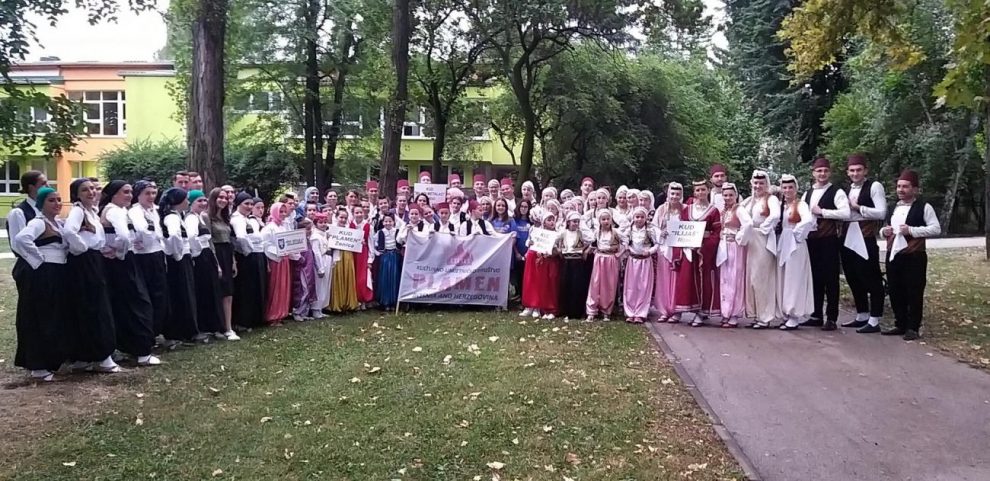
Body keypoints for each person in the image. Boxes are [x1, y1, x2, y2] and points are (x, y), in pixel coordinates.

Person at [100, 181, 160, 365]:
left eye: (130, 192)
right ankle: (141, 351)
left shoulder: (118, 210)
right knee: (138, 304)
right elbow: (124, 237)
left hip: (119, 262)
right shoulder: (115, 211)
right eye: (125, 192)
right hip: (123, 262)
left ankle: (130, 346)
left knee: (125, 305)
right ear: (114, 194)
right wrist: (119, 252)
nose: (129, 195)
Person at [63, 178, 119, 373]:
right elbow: (69, 232)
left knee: (94, 305)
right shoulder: (78, 211)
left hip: (94, 260)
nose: (91, 192)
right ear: (77, 194)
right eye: (85, 190)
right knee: (94, 306)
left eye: (93, 189)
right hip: (84, 263)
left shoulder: (91, 212)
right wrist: (83, 248)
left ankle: (89, 354)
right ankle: (100, 356)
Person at [12, 187, 67, 380]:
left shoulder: (58, 223)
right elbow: (21, 239)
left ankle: (50, 360)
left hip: (57, 273)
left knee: (52, 316)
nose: (57, 203)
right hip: (43, 274)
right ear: (41, 203)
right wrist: (39, 259)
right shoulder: (38, 222)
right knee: (39, 317)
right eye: (51, 200)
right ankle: (37, 365)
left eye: (59, 200)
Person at [882, 169, 941, 340]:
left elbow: (936, 229)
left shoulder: (924, 207)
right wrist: (884, 231)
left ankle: (913, 327)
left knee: (914, 291)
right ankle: (900, 324)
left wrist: (912, 230)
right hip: (894, 254)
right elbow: (887, 227)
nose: (901, 190)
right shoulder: (893, 207)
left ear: (915, 189)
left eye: (905, 187)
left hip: (914, 255)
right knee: (895, 289)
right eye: (899, 186)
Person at [840, 154, 887, 333]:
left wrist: (858, 207)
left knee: (871, 276)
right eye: (852, 170)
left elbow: (881, 212)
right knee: (852, 276)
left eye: (859, 170)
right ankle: (862, 314)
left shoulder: (874, 186)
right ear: (847, 172)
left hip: (865, 235)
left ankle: (875, 319)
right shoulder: (847, 189)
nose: (855, 173)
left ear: (865, 171)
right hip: (847, 235)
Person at [802, 157, 850, 331]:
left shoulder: (837, 192)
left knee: (830, 279)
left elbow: (846, 213)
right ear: (813, 173)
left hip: (829, 240)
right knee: (814, 277)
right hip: (811, 240)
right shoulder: (807, 193)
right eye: (819, 171)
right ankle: (816, 314)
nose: (822, 174)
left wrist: (822, 212)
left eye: (825, 171)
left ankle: (831, 317)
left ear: (829, 173)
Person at [128, 181, 170, 339]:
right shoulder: (135, 211)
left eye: (153, 193)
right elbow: (142, 230)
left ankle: (157, 330)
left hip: (157, 252)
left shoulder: (155, 210)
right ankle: (149, 332)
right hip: (144, 255)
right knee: (149, 293)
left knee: (160, 294)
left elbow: (158, 233)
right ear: (138, 195)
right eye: (147, 193)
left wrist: (155, 237)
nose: (151, 196)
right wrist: (151, 238)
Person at [160, 187, 202, 342]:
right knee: (183, 294)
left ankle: (188, 329)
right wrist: (178, 254)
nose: (188, 202)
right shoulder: (172, 217)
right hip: (179, 259)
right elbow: (174, 235)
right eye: (185, 199)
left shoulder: (178, 216)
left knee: (187, 293)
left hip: (183, 256)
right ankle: (185, 331)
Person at [741, 170, 781, 329]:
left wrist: (763, 228)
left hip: (762, 240)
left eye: (761, 183)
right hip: (749, 240)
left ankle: (765, 317)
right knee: (750, 278)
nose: (758, 186)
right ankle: (755, 314)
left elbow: (775, 215)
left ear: (767, 184)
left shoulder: (771, 199)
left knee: (761, 278)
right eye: (755, 183)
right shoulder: (749, 201)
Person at [185, 190, 227, 337]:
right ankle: (207, 326)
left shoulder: (200, 217)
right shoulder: (191, 218)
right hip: (201, 256)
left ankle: (214, 326)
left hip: (207, 255)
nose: (203, 203)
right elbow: (192, 237)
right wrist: (198, 253)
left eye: (204, 200)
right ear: (191, 203)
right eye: (199, 201)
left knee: (211, 290)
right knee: (205, 291)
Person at [776, 175, 815, 330]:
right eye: (784, 187)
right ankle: (785, 312)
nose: (787, 190)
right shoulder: (781, 205)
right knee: (783, 277)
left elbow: (808, 220)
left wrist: (796, 234)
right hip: (783, 241)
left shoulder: (801, 205)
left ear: (796, 189)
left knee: (794, 278)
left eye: (790, 187)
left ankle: (794, 314)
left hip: (795, 243)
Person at [681, 181, 722, 326]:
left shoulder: (713, 211)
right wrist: (686, 244)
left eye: (703, 190)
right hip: (690, 249)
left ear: (708, 191)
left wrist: (706, 247)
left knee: (704, 280)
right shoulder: (687, 209)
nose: (700, 193)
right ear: (694, 192)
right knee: (690, 280)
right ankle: (693, 308)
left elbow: (716, 232)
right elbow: (682, 228)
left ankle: (702, 311)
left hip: (705, 250)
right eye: (698, 190)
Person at [204, 188, 239, 340]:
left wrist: (233, 261)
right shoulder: (206, 217)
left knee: (228, 293)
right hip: (215, 254)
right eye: (220, 197)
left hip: (227, 254)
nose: (223, 200)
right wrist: (216, 263)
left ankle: (228, 327)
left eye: (225, 198)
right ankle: (217, 326)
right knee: (218, 292)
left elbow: (230, 241)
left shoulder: (225, 218)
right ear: (213, 198)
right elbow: (209, 241)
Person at [230, 193, 268, 329]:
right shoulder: (237, 219)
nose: (249, 206)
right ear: (238, 204)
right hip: (247, 257)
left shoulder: (250, 219)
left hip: (257, 254)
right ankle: (243, 320)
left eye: (251, 204)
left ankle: (255, 318)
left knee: (256, 288)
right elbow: (241, 237)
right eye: (246, 204)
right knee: (246, 289)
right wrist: (248, 252)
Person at [716, 183, 751, 328]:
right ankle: (726, 312)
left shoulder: (739, 209)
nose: (728, 197)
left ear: (736, 195)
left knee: (735, 278)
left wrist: (738, 237)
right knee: (724, 279)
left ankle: (734, 313)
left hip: (734, 247)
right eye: (725, 195)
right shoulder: (724, 210)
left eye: (731, 195)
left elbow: (748, 224)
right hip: (724, 246)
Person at [652, 183, 684, 322]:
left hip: (679, 248)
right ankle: (664, 310)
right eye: (672, 194)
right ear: (668, 194)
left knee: (677, 279)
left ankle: (676, 310)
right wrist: (661, 232)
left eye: (677, 194)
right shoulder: (661, 209)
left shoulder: (685, 209)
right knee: (664, 279)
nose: (675, 197)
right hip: (665, 247)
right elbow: (654, 226)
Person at [520, 212, 561, 319]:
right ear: (544, 222)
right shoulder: (536, 231)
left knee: (545, 284)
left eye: (553, 220)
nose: (552, 222)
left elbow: (559, 249)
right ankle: (530, 305)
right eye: (549, 220)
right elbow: (529, 242)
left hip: (548, 260)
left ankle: (543, 307)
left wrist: (553, 251)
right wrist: (530, 243)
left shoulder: (557, 234)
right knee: (532, 282)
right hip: (535, 259)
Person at [623, 207, 659, 324]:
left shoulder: (649, 231)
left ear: (646, 218)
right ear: (633, 218)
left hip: (645, 261)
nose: (639, 219)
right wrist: (627, 247)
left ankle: (641, 312)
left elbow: (657, 244)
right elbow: (624, 240)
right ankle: (630, 312)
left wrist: (649, 251)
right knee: (631, 286)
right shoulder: (630, 230)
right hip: (633, 261)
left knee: (643, 287)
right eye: (637, 217)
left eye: (642, 217)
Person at [586, 210, 623, 321]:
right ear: (599, 221)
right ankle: (592, 310)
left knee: (609, 284)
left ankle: (606, 310)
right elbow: (592, 244)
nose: (606, 221)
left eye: (608, 219)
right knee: (595, 283)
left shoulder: (616, 232)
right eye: (603, 219)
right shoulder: (597, 232)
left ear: (611, 220)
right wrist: (588, 251)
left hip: (611, 259)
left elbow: (626, 243)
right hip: (599, 257)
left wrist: (619, 254)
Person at [262, 202, 294, 325]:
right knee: (274, 288)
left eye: (285, 212)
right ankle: (272, 315)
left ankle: (281, 313)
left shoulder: (283, 226)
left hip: (284, 260)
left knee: (283, 287)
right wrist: (278, 252)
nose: (283, 214)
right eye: (280, 211)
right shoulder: (269, 228)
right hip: (275, 260)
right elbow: (265, 244)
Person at [6, 171, 48, 265]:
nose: (48, 186)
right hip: (30, 265)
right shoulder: (18, 212)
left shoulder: (45, 210)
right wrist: (39, 261)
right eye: (43, 184)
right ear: (31, 187)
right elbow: (17, 244)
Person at [556, 212, 592, 319]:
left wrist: (586, 249)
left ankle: (576, 311)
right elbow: (553, 239)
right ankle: (566, 310)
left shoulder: (581, 233)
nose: (576, 224)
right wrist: (558, 249)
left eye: (577, 222)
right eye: (574, 221)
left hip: (577, 261)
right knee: (566, 285)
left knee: (577, 286)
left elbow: (592, 238)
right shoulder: (563, 233)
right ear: (568, 222)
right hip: (566, 261)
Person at [330, 207, 360, 312]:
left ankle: (349, 303)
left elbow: (356, 242)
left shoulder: (350, 230)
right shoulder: (332, 229)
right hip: (337, 254)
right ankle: (338, 303)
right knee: (338, 276)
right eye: (341, 217)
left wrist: (359, 242)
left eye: (345, 218)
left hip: (348, 255)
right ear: (336, 217)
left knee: (348, 276)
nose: (343, 220)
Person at [373, 213, 403, 310]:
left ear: (394, 222)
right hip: (385, 256)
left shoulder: (397, 231)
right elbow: (374, 243)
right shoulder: (380, 232)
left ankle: (393, 301)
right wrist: (378, 252)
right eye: (386, 221)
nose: (388, 223)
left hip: (395, 256)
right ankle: (385, 301)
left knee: (394, 276)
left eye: (390, 221)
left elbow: (402, 240)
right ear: (383, 222)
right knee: (385, 277)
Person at [291, 218, 318, 321]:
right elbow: (295, 254)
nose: (309, 231)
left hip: (309, 267)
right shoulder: (297, 241)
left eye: (310, 229)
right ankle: (297, 311)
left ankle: (304, 312)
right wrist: (300, 259)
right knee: (302, 290)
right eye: (307, 229)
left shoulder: (308, 240)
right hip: (302, 268)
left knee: (309, 289)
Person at [351, 205, 374, 309]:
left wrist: (370, 259)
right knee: (353, 277)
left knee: (362, 278)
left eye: (361, 212)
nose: (359, 214)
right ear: (353, 214)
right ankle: (354, 300)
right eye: (357, 212)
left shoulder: (368, 226)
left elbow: (371, 244)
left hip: (363, 255)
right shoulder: (350, 225)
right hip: (352, 254)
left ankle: (363, 299)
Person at [310, 213, 332, 317]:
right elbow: (316, 253)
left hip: (327, 259)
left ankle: (320, 308)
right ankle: (315, 308)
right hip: (321, 261)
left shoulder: (324, 234)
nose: (323, 224)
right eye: (320, 222)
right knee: (319, 285)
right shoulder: (315, 236)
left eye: (325, 222)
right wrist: (320, 268)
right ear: (316, 224)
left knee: (325, 285)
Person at [509, 200, 532, 301]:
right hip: (517, 253)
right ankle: (518, 294)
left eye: (526, 207)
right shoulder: (514, 221)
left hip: (528, 253)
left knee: (526, 275)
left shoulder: (531, 222)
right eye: (521, 206)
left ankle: (525, 296)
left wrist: (528, 253)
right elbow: (513, 238)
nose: (523, 209)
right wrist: (517, 253)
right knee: (517, 274)